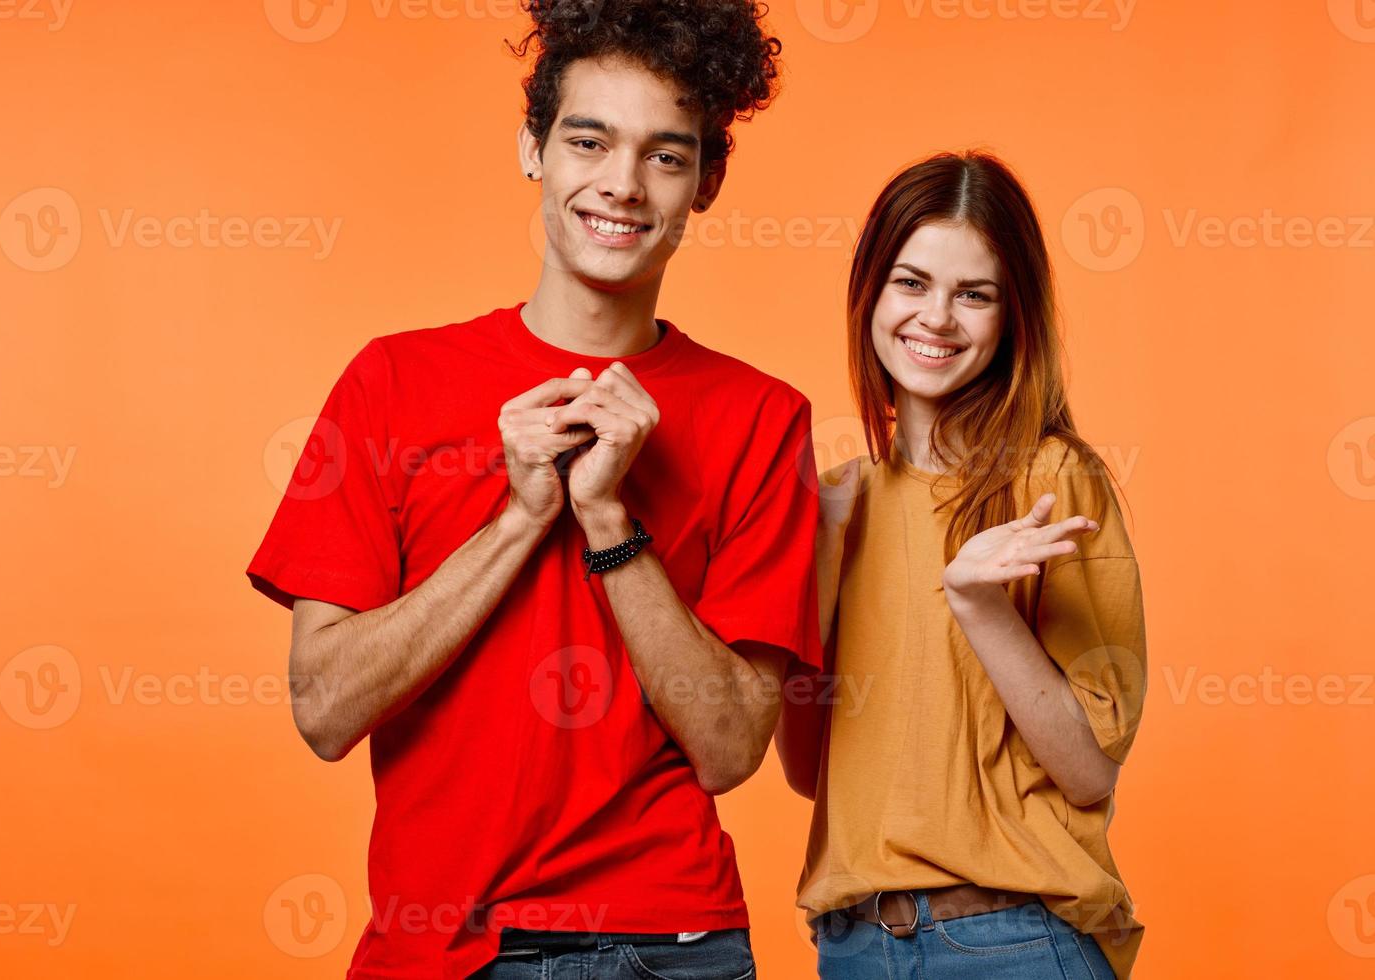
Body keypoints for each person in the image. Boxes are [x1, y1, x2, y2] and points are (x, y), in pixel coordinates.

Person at [246, 2, 821, 976]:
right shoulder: (391, 382)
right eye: (589, 141)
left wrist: (608, 516)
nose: (622, 185)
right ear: (533, 148)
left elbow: (730, 746)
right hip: (434, 948)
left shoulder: (764, 416)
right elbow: (325, 707)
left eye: (666, 156)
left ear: (707, 183)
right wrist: (521, 516)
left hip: (664, 943)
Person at [776, 151, 1148, 979]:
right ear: (870, 291)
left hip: (1008, 942)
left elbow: (1087, 769)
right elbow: (812, 772)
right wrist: (821, 580)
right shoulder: (836, 501)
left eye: (972, 294)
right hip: (855, 946)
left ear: (1012, 317)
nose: (936, 318)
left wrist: (981, 606)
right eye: (911, 283)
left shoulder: (1051, 478)